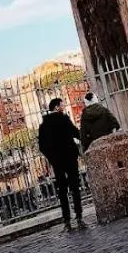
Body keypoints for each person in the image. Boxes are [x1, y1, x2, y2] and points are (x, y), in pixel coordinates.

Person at [37, 98, 86, 231]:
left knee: (62, 191)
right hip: (70, 158)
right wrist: (86, 137)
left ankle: (67, 222)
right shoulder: (64, 119)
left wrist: (52, 158)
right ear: (57, 107)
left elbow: (42, 146)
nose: (64, 106)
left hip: (57, 162)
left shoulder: (44, 125)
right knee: (75, 188)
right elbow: (76, 133)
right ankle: (79, 218)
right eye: (62, 104)